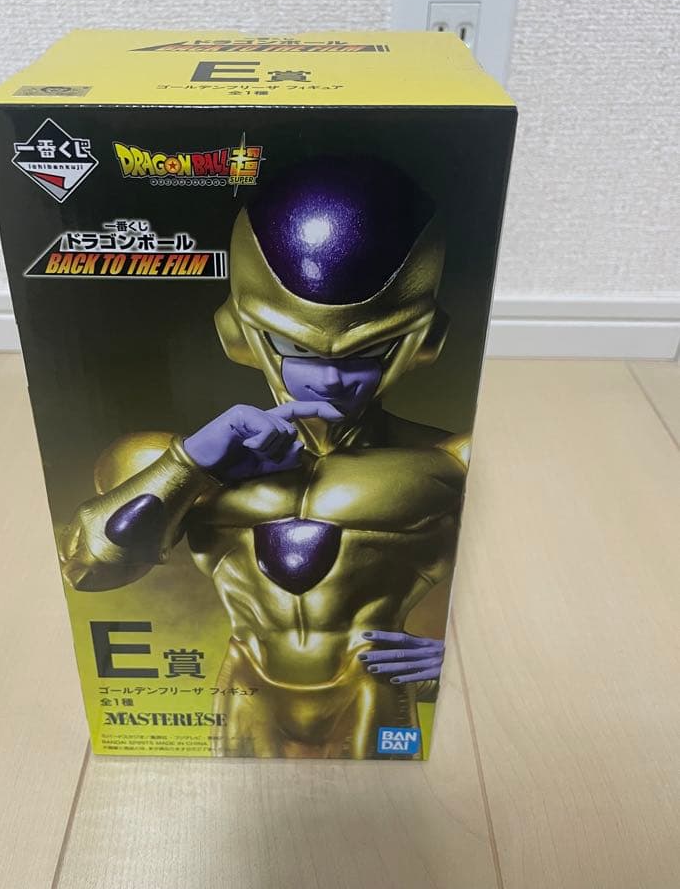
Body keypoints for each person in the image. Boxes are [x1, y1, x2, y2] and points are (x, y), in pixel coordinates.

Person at [61, 157, 467, 758]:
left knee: (390, 808)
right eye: (295, 347)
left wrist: (461, 661)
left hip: (372, 690)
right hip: (247, 688)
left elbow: (537, 595)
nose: (330, 379)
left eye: (368, 352)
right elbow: (89, 569)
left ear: (422, 343)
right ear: (239, 333)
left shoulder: (454, 463)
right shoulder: (162, 460)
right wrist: (191, 463)